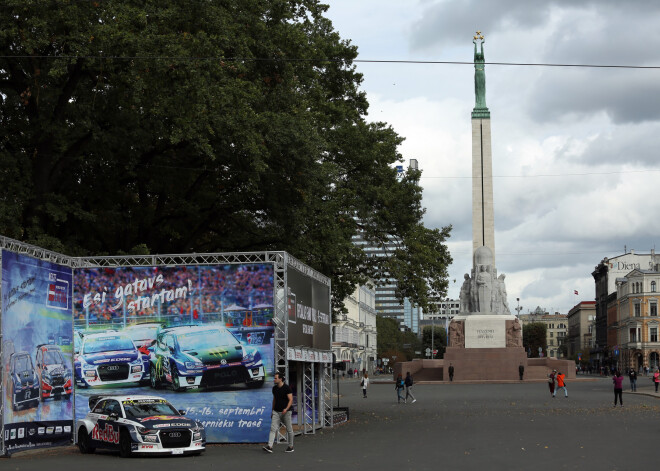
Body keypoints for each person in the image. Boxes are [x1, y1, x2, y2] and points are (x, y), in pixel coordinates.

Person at [263, 372, 294, 453]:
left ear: (280, 379)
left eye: (276, 378)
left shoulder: (287, 388)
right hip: (276, 411)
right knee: (273, 429)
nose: (274, 379)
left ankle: (291, 446)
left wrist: (286, 409)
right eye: (274, 378)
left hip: (286, 412)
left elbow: (291, 400)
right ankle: (270, 446)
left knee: (289, 429)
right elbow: (274, 400)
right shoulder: (274, 388)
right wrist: (272, 411)